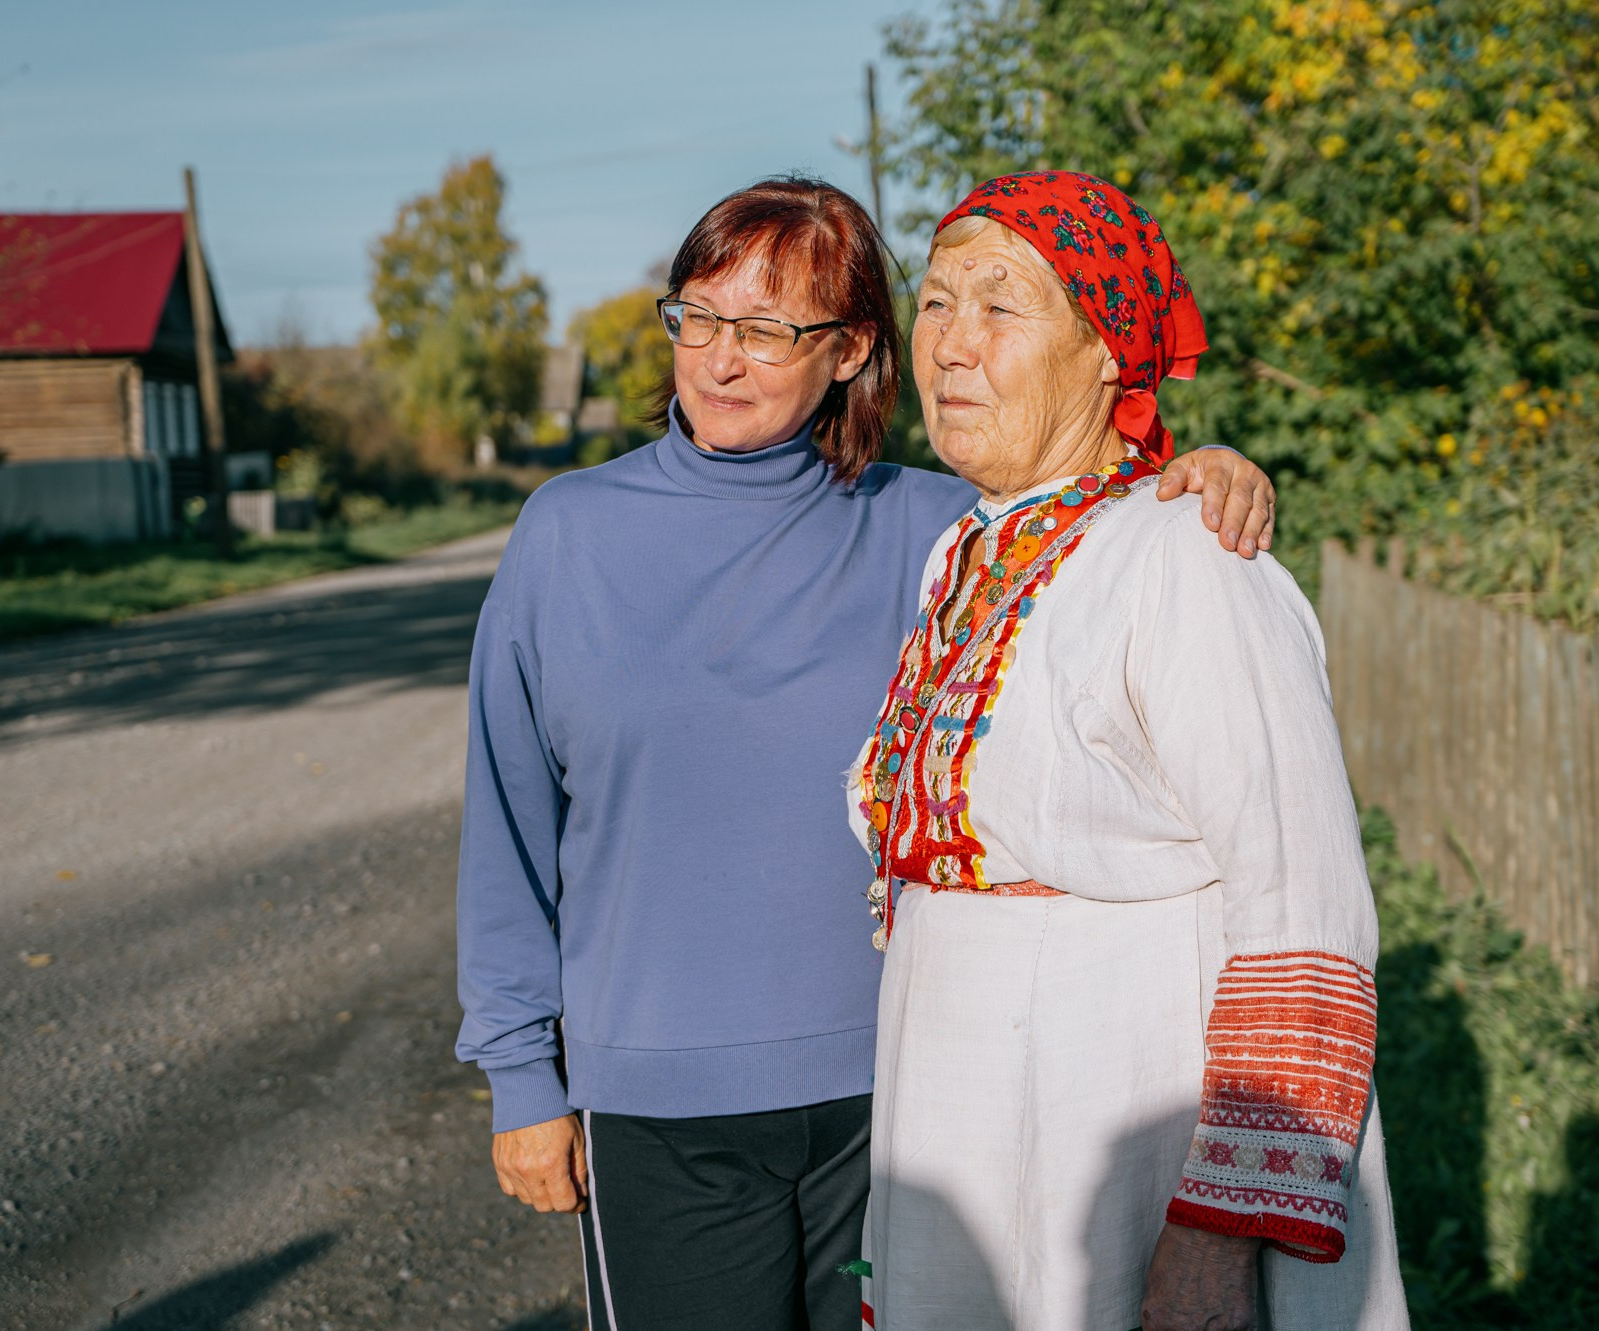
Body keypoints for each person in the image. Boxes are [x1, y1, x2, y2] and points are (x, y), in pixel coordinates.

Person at [455, 175, 1279, 1331]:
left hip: (903, 1098)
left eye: (765, 330)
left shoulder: (932, 530)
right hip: (657, 1105)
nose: (718, 360)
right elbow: (506, 822)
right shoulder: (566, 532)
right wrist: (519, 1072)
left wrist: (1200, 474)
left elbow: (1086, 521)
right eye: (697, 315)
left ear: (848, 352)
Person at [851, 171, 1409, 1331]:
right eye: (938, 302)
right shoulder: (964, 554)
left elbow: (1302, 904)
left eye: (1000, 309)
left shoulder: (1186, 557)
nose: (952, 345)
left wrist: (1213, 1239)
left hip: (1108, 1142)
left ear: (1106, 349)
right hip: (958, 1130)